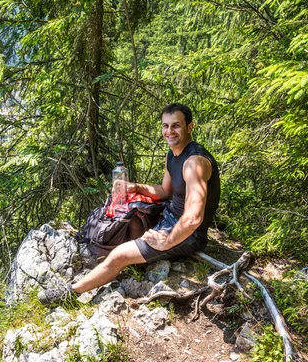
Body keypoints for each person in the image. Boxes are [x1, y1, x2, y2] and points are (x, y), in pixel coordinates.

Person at [38, 103, 220, 306]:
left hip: (188, 235)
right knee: (127, 222)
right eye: (165, 126)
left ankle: (69, 294)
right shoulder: (173, 155)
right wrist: (134, 187)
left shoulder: (194, 163)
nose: (169, 131)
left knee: (119, 256)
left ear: (190, 127)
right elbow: (165, 191)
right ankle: (124, 265)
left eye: (176, 126)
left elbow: (193, 218)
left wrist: (166, 241)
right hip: (169, 218)